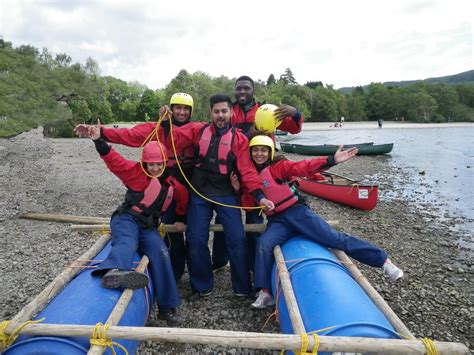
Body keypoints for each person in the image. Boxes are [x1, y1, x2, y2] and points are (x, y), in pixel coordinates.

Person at [238, 135, 404, 308]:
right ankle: (265, 292)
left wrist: (331, 160)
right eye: (255, 150)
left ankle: (384, 261)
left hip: (297, 213)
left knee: (334, 239)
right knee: (264, 243)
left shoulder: (277, 167)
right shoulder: (250, 177)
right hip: (277, 221)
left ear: (270, 152)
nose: (259, 154)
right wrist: (237, 189)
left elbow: (303, 167)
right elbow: (249, 204)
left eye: (263, 150)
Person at [75, 93, 197, 282]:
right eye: (177, 108)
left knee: (194, 232)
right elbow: (129, 136)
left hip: (191, 186)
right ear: (171, 109)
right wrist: (100, 133)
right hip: (163, 185)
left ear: (191, 111)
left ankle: (196, 271)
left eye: (185, 109)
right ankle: (174, 274)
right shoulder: (155, 128)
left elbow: (199, 137)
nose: (181, 112)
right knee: (171, 234)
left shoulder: (196, 129)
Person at [164, 94, 274, 301]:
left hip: (226, 194)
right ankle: (202, 285)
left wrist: (259, 196)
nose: (220, 115)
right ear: (211, 113)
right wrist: (165, 122)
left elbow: (248, 172)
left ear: (231, 112)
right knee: (195, 240)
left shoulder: (239, 139)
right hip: (199, 193)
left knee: (237, 240)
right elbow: (174, 137)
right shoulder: (199, 130)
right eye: (216, 111)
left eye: (224, 111)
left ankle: (242, 287)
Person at [84, 123, 188, 326]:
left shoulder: (175, 186)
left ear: (166, 162)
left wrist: (181, 219)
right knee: (126, 241)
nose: (155, 168)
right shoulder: (135, 173)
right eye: (151, 164)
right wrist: (98, 140)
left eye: (159, 164)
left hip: (148, 227)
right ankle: (113, 271)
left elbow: (183, 201)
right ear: (144, 163)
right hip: (127, 219)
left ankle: (167, 307)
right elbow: (115, 161)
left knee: (162, 254)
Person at [212, 76, 304, 271]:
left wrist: (295, 113)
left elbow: (294, 128)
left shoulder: (266, 111)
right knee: (225, 214)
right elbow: (221, 133)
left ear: (253, 91)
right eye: (239, 89)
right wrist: (249, 135)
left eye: (246, 88)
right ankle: (220, 260)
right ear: (235, 91)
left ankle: (255, 264)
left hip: (260, 170)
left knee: (255, 216)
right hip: (233, 170)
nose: (242, 92)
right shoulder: (230, 112)